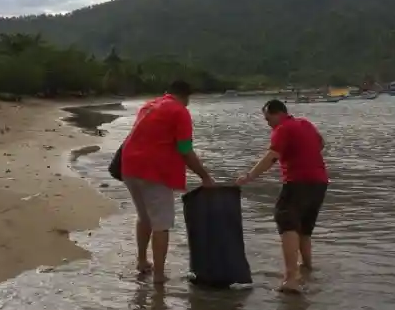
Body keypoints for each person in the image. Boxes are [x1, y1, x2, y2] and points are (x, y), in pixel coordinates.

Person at [121, 80, 214, 284]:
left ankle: (142, 261)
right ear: (186, 96)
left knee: (144, 215)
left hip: (128, 166)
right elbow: (185, 150)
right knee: (161, 223)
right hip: (153, 170)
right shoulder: (179, 111)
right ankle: (159, 275)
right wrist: (205, 176)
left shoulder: (148, 105)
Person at [236, 99, 328, 293]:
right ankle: (307, 267)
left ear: (277, 113)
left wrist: (249, 176)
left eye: (267, 118)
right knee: (304, 227)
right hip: (320, 182)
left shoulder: (283, 129)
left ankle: (290, 279)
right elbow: (321, 143)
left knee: (286, 222)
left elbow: (272, 156)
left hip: (298, 181)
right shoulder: (305, 124)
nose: (267, 123)